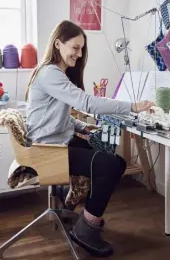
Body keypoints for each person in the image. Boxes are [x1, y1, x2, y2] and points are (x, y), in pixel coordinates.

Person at [25, 20, 154, 257]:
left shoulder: (54, 73)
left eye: (81, 48)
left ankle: (70, 197)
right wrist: (132, 106)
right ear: (58, 44)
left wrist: (85, 127)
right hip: (48, 152)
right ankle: (86, 227)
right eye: (75, 47)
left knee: (106, 151)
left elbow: (58, 118)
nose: (79, 53)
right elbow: (85, 102)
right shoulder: (50, 73)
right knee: (114, 165)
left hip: (55, 144)